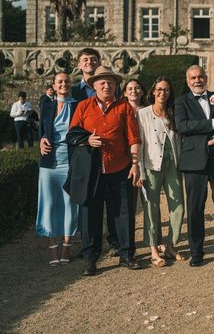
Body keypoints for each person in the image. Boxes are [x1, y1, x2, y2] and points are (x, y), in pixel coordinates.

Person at [69, 66, 142, 276]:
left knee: (123, 212)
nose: (106, 85)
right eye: (102, 82)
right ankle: (91, 259)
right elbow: (72, 134)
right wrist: (87, 140)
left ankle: (127, 254)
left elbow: (133, 138)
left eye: (110, 82)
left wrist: (135, 164)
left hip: (119, 167)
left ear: (115, 85)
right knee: (90, 214)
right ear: (94, 85)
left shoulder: (124, 107)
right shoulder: (83, 106)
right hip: (92, 170)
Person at [175, 65, 214, 267]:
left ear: (206, 77)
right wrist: (212, 124)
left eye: (201, 76)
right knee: (195, 208)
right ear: (187, 80)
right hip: (194, 162)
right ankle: (197, 252)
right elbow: (183, 126)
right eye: (193, 77)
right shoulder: (181, 101)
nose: (197, 80)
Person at [71, 47, 120, 256]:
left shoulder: (111, 88)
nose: (89, 62)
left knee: (112, 200)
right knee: (86, 199)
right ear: (79, 64)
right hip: (83, 149)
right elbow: (71, 125)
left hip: (110, 153)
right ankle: (89, 244)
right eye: (85, 59)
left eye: (93, 59)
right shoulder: (75, 92)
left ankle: (114, 240)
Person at [138, 77, 185, 267]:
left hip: (172, 164)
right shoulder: (143, 114)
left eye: (165, 90)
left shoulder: (173, 113)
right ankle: (153, 249)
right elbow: (139, 143)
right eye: (159, 89)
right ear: (153, 92)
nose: (162, 93)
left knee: (178, 205)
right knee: (151, 206)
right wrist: (140, 170)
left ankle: (170, 245)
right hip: (151, 165)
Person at [36, 72, 79, 266]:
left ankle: (67, 247)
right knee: (49, 205)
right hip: (49, 163)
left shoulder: (78, 105)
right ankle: (53, 248)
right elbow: (42, 132)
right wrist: (42, 139)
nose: (64, 84)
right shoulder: (47, 105)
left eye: (67, 81)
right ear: (53, 85)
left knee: (70, 205)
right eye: (60, 81)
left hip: (70, 162)